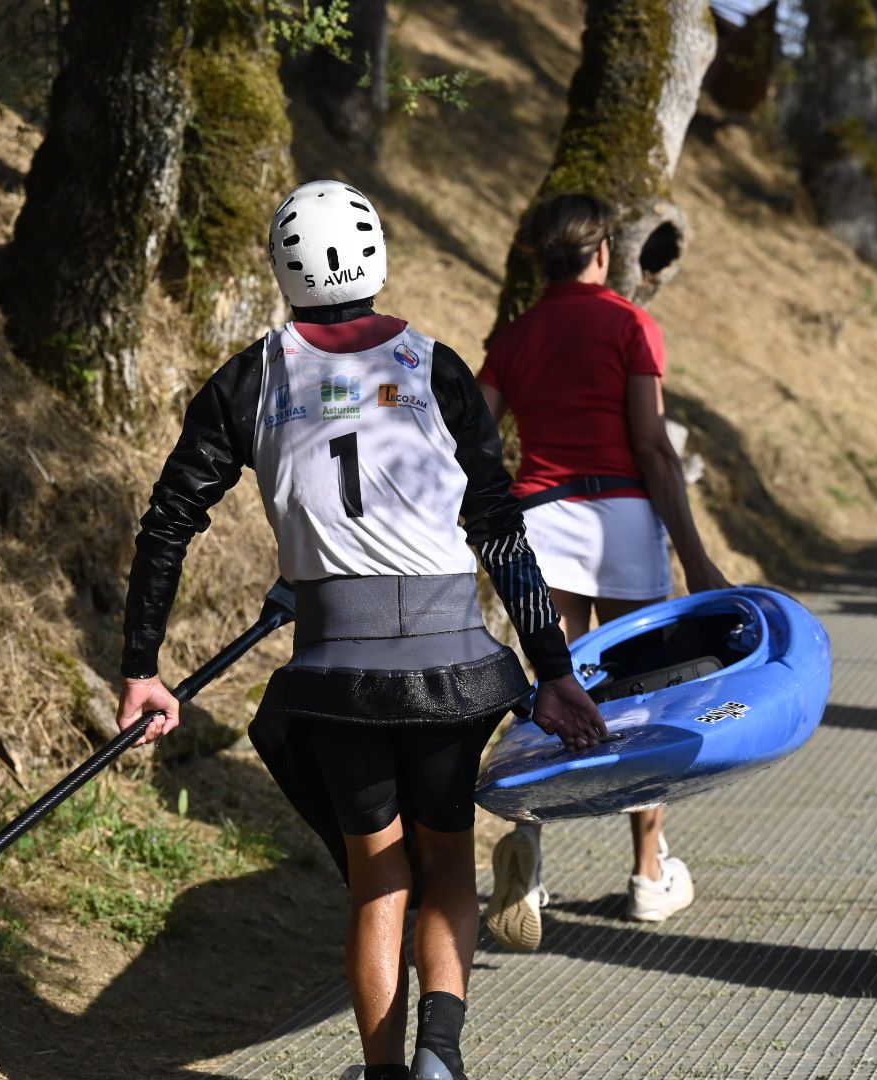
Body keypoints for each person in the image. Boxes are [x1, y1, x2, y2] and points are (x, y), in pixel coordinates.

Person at [115, 180, 610, 1080]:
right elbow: (499, 530)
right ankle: (441, 1059)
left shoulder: (250, 378)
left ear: (284, 267)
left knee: (378, 878)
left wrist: (142, 666)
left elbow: (168, 522)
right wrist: (555, 667)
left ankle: (383, 1075)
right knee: (447, 865)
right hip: (453, 667)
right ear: (378, 254)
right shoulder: (435, 367)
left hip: (334, 674)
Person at [477, 193, 732, 953]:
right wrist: (695, 554)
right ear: (603, 256)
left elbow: (476, 440)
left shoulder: (516, 337)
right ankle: (650, 874)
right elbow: (653, 447)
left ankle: (530, 847)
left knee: (554, 687)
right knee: (642, 698)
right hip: (620, 518)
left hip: (539, 522)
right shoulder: (629, 324)